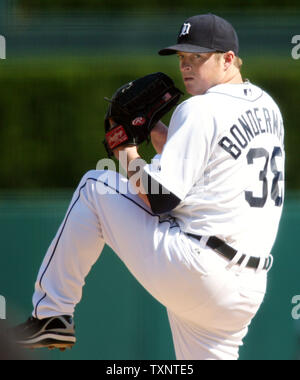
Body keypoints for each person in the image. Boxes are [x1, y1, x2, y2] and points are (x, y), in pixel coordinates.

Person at [12, 13, 285, 360]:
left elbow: (163, 198)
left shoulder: (200, 109)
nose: (186, 66)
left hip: (197, 269)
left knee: (95, 185)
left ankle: (51, 315)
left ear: (228, 59)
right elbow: (205, 168)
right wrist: (154, 131)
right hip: (245, 291)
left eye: (197, 58)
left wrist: (123, 149)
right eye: (182, 58)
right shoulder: (266, 105)